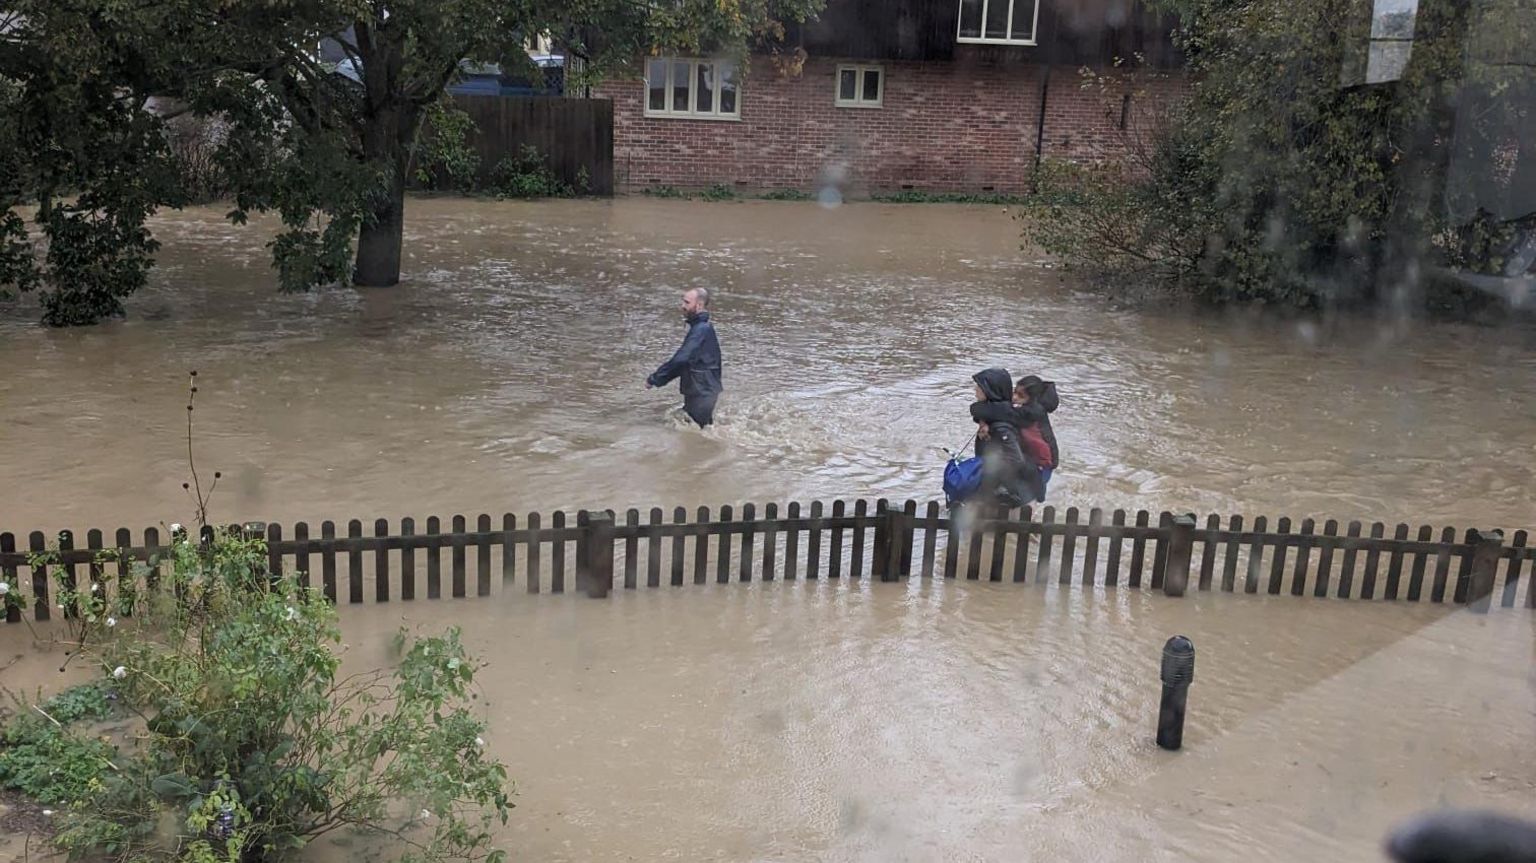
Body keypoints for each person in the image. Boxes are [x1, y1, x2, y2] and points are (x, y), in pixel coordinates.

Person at [646, 287, 723, 427]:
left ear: (699, 305)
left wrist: (656, 378)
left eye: (687, 302)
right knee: (698, 429)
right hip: (702, 389)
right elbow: (684, 363)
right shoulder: (700, 327)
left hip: (702, 390)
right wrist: (657, 379)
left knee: (697, 432)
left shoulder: (701, 329)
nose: (683, 306)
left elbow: (681, 359)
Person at [968, 368, 1044, 507]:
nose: (975, 389)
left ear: (990, 391)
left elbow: (1015, 459)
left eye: (979, 386)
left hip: (1016, 493)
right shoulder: (993, 417)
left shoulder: (1001, 427)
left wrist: (990, 480)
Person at [1013, 375, 1060, 496]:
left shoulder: (1034, 412)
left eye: (1020, 395)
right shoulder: (1027, 408)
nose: (1014, 397)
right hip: (1029, 462)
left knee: (1027, 497)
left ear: (1032, 398)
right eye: (1014, 392)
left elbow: (1007, 413)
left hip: (1043, 465)